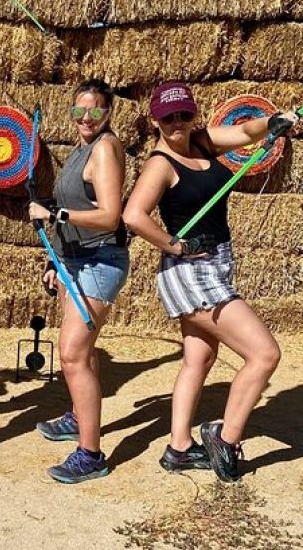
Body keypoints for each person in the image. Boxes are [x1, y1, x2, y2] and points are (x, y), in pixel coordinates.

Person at [122, 82, 297, 482]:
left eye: (184, 114)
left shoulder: (202, 142)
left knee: (198, 359)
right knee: (265, 354)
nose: (177, 123)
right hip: (190, 272)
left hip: (216, 263)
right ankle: (226, 438)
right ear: (155, 121)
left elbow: (247, 132)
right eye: (168, 117)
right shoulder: (159, 164)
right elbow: (133, 216)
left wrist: (274, 122)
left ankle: (179, 448)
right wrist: (175, 245)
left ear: (193, 114)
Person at [28, 79, 129, 484]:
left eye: (95, 111)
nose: (86, 118)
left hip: (100, 261)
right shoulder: (80, 149)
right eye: (78, 111)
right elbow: (69, 205)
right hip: (75, 260)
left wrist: (57, 218)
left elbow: (108, 216)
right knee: (82, 354)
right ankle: (78, 417)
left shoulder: (105, 148)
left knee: (71, 355)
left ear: (108, 113)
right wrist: (56, 258)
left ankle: (91, 454)